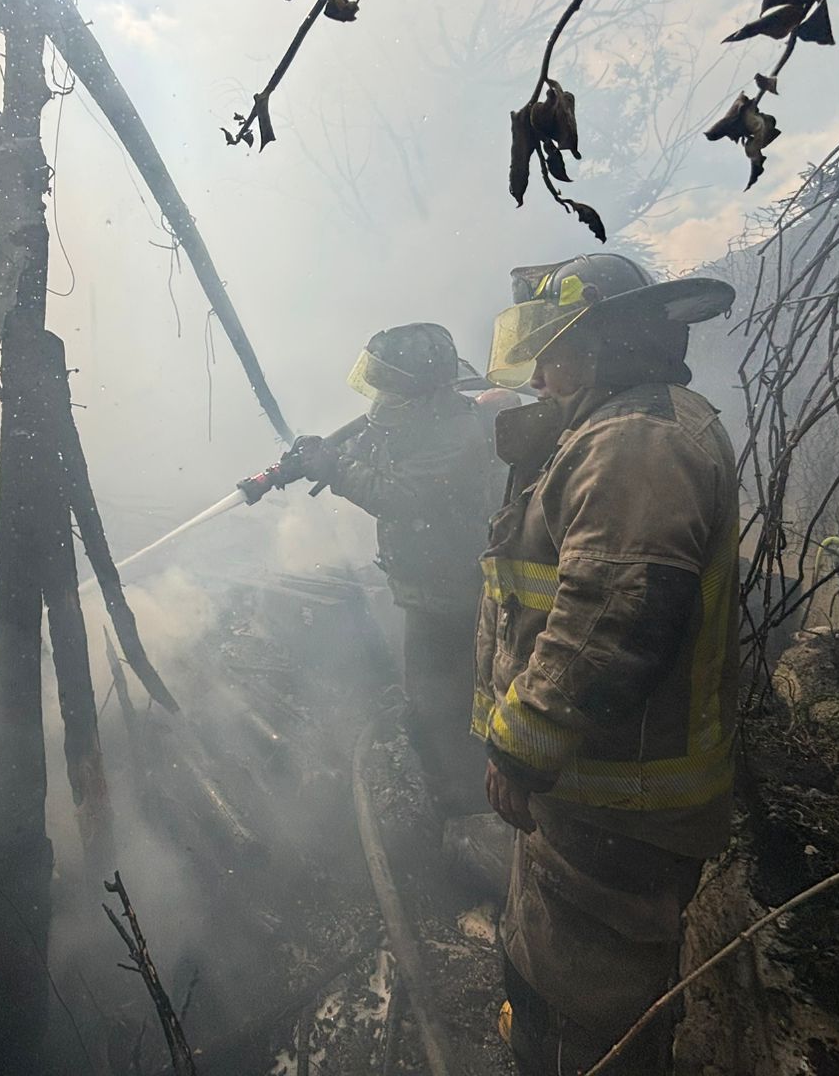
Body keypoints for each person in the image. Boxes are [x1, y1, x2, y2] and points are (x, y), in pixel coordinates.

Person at [471, 254, 739, 1074]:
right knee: (556, 969)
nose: (539, 376)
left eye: (553, 355)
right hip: (596, 787)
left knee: (586, 1010)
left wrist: (523, 743)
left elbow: (611, 619)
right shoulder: (617, 430)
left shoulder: (635, 444)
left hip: (620, 799)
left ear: (598, 349)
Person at [289, 322, 499, 817]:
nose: (383, 397)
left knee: (443, 708)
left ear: (420, 388)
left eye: (392, 386)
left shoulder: (456, 431)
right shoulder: (416, 418)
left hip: (453, 597)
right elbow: (370, 451)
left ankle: (466, 811)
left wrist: (335, 468)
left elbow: (399, 495)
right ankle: (455, 793)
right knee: (435, 702)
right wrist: (321, 455)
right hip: (428, 589)